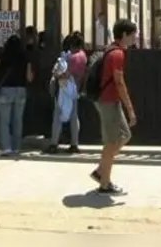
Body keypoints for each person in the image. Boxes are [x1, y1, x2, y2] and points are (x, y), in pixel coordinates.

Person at [91, 19, 138, 196]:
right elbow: (119, 82)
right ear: (124, 35)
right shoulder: (117, 54)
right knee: (111, 143)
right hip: (108, 101)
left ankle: (101, 171)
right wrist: (130, 109)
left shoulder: (111, 50)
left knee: (124, 135)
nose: (135, 38)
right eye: (133, 35)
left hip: (109, 101)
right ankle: (104, 184)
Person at [47, 31, 87, 154]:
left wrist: (56, 75)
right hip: (76, 89)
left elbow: (66, 74)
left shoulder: (71, 57)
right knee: (74, 117)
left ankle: (54, 144)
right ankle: (74, 143)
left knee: (58, 116)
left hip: (65, 89)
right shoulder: (83, 56)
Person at [0, 34, 33, 156]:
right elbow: (29, 77)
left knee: (4, 121)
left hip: (6, 90)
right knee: (18, 120)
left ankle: (6, 148)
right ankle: (16, 147)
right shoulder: (25, 56)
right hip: (21, 90)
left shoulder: (3, 55)